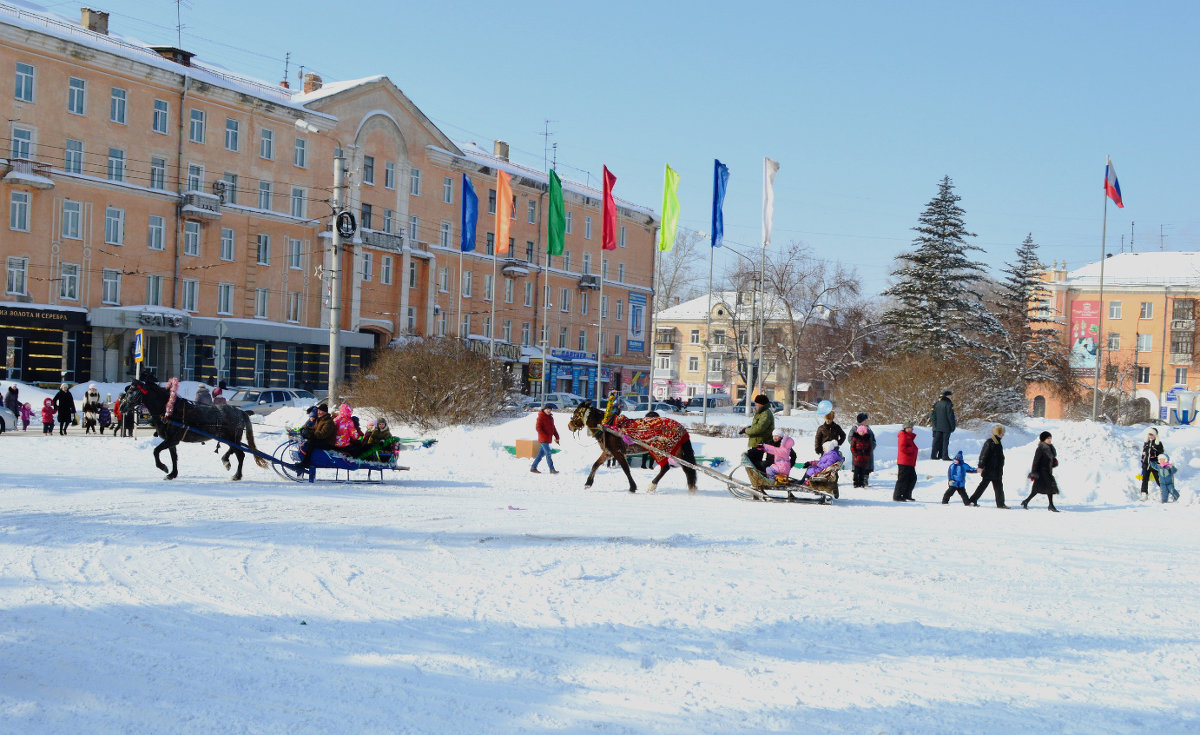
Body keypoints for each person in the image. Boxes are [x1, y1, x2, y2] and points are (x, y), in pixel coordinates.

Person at [968, 425, 1008, 507]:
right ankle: (972, 500)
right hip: (990, 469)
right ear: (999, 433)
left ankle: (1000, 504)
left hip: (996, 470)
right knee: (983, 486)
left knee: (998, 487)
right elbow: (984, 455)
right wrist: (980, 466)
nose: (1003, 435)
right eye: (1002, 433)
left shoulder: (997, 442)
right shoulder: (990, 442)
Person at [1022, 431, 1060, 512]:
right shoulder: (1040, 449)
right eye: (1048, 438)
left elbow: (1050, 460)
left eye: (1050, 438)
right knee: (1050, 487)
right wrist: (1033, 472)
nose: (1050, 440)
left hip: (1048, 471)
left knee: (1037, 489)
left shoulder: (1050, 448)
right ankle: (1051, 505)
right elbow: (1035, 461)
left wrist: (1054, 462)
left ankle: (1026, 501)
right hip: (1041, 472)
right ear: (1043, 439)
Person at [740, 395, 775, 473]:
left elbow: (760, 428)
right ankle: (757, 479)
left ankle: (760, 480)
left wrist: (747, 431)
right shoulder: (761, 413)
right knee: (753, 463)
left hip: (760, 443)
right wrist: (749, 428)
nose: (755, 405)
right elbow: (757, 426)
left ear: (761, 404)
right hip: (757, 442)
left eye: (757, 404)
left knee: (755, 464)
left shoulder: (765, 413)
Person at [295, 403, 335, 469]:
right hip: (322, 440)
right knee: (308, 443)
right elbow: (314, 429)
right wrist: (306, 429)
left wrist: (311, 434)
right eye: (318, 411)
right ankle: (307, 460)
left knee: (311, 443)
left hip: (328, 443)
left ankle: (306, 463)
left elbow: (323, 434)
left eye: (320, 411)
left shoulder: (328, 422)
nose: (318, 412)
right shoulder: (320, 419)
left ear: (325, 412)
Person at [531, 404, 560, 474]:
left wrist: (557, 436)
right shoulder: (540, 417)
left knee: (540, 454)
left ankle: (533, 467)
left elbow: (553, 428)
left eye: (550, 410)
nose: (549, 411)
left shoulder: (550, 418)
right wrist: (544, 435)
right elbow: (538, 428)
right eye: (547, 409)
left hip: (548, 439)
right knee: (548, 453)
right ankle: (552, 469)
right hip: (543, 439)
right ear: (544, 409)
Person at [893, 420, 918, 502]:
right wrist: (913, 450)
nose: (911, 429)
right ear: (905, 428)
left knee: (912, 478)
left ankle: (906, 494)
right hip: (904, 462)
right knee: (902, 479)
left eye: (911, 427)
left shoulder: (908, 436)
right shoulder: (903, 436)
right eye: (909, 427)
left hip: (909, 462)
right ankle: (897, 496)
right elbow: (903, 448)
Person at [930, 390, 956, 460]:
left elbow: (933, 416)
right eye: (950, 396)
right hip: (946, 426)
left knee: (936, 441)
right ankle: (944, 456)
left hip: (938, 427)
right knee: (945, 442)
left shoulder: (937, 404)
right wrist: (953, 426)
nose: (951, 397)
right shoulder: (948, 404)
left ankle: (933, 455)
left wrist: (935, 424)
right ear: (947, 396)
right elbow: (950, 416)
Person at [1140, 428, 1164, 500]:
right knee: (1144, 479)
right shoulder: (1146, 442)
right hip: (1146, 464)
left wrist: (1156, 456)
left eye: (1152, 435)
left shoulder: (1158, 443)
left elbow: (1161, 453)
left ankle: (1164, 491)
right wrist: (1143, 460)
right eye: (1149, 434)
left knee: (1158, 479)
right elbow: (1144, 452)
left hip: (1154, 464)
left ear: (1155, 435)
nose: (1150, 436)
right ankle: (1144, 493)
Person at [853, 412, 877, 486]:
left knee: (867, 467)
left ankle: (865, 480)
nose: (867, 421)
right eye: (865, 420)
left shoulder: (868, 428)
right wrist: (857, 446)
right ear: (862, 420)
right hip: (859, 452)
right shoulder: (855, 428)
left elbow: (873, 439)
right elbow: (851, 439)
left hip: (867, 452)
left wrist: (872, 445)